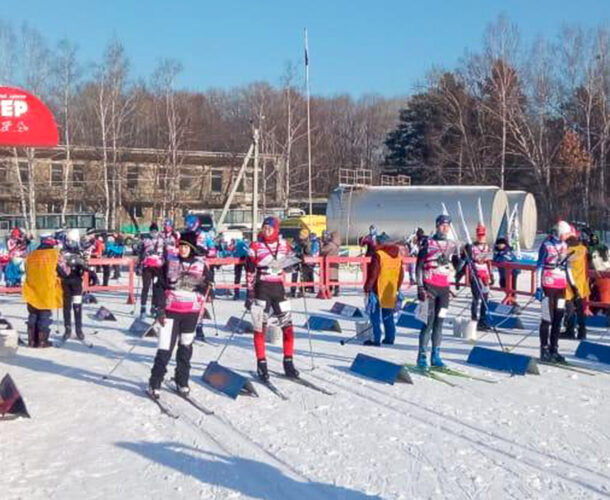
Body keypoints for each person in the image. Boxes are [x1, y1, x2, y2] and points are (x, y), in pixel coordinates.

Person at [148, 231, 211, 398]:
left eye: (186, 246)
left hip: (190, 313)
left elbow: (206, 284)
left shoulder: (200, 264)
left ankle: (181, 380)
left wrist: (208, 287)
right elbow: (159, 286)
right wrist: (159, 308)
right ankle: (155, 381)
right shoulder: (170, 263)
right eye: (181, 246)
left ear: (192, 248)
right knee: (165, 349)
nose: (183, 249)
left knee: (185, 348)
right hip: (171, 311)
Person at [246, 216, 298, 381]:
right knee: (260, 328)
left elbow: (291, 265)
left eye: (269, 228)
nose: (266, 231)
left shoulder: (284, 245)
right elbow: (249, 270)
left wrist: (297, 261)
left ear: (276, 229)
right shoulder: (255, 246)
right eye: (264, 228)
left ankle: (288, 362)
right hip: (262, 288)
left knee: (288, 326)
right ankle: (261, 364)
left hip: (279, 289)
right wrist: (249, 293)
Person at [415, 214, 459, 368]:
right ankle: (421, 356)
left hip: (444, 290)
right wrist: (420, 287)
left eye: (447, 225)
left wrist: (462, 260)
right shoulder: (428, 243)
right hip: (429, 287)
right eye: (442, 225)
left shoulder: (452, 245)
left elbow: (457, 268)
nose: (445, 228)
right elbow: (419, 266)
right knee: (428, 323)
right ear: (437, 225)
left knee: (439, 323)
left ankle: (436, 355)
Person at [535, 220, 573, 362]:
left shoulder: (564, 245)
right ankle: (543, 349)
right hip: (548, 284)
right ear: (559, 233)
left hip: (560, 286)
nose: (567, 237)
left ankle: (554, 348)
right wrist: (538, 287)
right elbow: (539, 266)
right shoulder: (546, 245)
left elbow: (567, 267)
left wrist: (572, 285)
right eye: (565, 234)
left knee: (559, 316)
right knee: (547, 317)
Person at [22, 233, 63, 347]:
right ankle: (42, 341)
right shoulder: (54, 255)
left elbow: (26, 270)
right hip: (46, 289)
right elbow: (63, 272)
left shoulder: (31, 255)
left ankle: (32, 340)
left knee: (33, 314)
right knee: (44, 316)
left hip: (32, 288)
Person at [362, 233, 404, 345]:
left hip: (377, 288)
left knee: (375, 315)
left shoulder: (378, 255)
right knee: (388, 315)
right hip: (390, 290)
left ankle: (376, 339)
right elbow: (401, 274)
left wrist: (367, 287)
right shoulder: (398, 256)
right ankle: (390, 338)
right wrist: (397, 288)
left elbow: (373, 274)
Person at [456, 223, 494, 331]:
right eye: (479, 235)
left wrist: (491, 275)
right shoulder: (471, 247)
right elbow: (463, 262)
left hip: (485, 275)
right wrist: (458, 276)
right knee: (476, 298)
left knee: (485, 299)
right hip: (475, 274)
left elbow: (489, 262)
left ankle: (482, 320)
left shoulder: (487, 247)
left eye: (483, 235)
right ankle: (474, 319)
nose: (481, 237)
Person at [57, 229, 88, 341]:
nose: (70, 243)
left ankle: (79, 329)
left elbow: (86, 266)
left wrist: (83, 263)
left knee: (77, 306)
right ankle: (67, 329)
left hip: (76, 282)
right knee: (66, 306)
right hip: (65, 282)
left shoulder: (80, 252)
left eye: (72, 241)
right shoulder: (62, 252)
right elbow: (57, 266)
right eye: (69, 240)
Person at [563, 229, 589, 340]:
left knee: (569, 309)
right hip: (581, 284)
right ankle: (582, 332)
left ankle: (570, 331)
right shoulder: (583, 249)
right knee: (580, 310)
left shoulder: (567, 252)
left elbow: (568, 270)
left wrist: (573, 286)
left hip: (570, 285)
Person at [138, 223, 164, 319]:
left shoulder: (162, 239)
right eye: (152, 231)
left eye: (155, 231)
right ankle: (143, 308)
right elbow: (140, 252)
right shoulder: (145, 239)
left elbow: (165, 252)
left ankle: (154, 307)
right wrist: (139, 265)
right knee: (146, 287)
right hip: (147, 267)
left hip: (157, 267)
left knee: (156, 288)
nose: (153, 233)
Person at [493, 237, 520, 305]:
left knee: (511, 287)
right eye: (498, 244)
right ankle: (510, 299)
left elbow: (503, 259)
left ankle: (513, 301)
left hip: (512, 272)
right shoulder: (498, 252)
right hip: (503, 272)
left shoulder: (507, 252)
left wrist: (497, 259)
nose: (500, 245)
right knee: (503, 285)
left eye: (501, 244)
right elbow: (496, 259)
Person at [320, 230, 341, 298]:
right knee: (335, 277)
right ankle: (336, 289)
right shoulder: (336, 244)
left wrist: (321, 245)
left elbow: (323, 251)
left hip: (330, 263)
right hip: (334, 262)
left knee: (329, 277)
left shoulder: (331, 244)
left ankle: (330, 289)